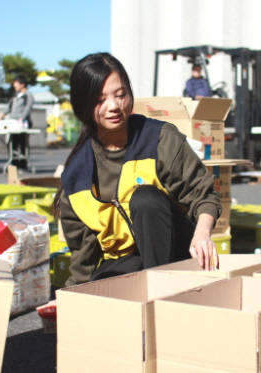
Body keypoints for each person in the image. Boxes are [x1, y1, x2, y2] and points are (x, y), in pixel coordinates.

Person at [52, 53, 222, 287]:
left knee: (145, 198)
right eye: (100, 99)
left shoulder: (159, 138)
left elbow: (204, 196)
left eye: (121, 95)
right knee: (100, 282)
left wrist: (202, 233)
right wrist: (73, 299)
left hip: (180, 251)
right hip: (130, 260)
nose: (114, 106)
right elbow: (84, 257)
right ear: (82, 104)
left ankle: (159, 296)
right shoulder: (76, 178)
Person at [0, 74, 34, 170]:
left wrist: (22, 118)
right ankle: (14, 163)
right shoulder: (15, 95)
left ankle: (23, 164)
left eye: (16, 83)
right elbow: (9, 107)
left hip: (23, 124)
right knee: (12, 143)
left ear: (22, 84)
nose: (14, 85)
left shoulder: (28, 95)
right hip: (13, 124)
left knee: (23, 144)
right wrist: (2, 115)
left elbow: (28, 108)